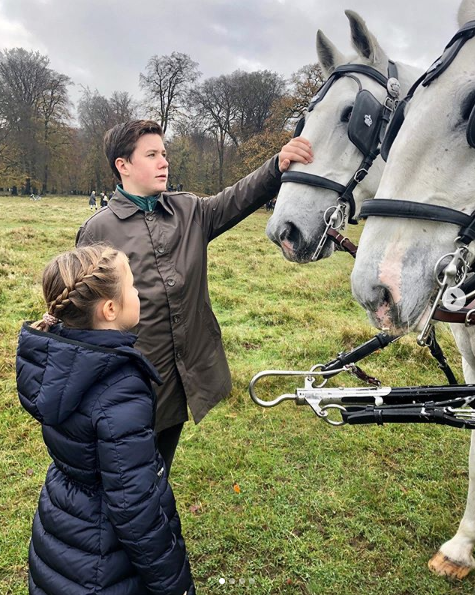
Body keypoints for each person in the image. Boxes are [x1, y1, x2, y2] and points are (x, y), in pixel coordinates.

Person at [76, 119, 313, 471]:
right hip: (126, 389)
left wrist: (277, 165)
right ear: (122, 165)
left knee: (158, 472)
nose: (164, 162)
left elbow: (237, 198)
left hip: (175, 383)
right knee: (122, 481)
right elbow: (84, 321)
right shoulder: (98, 231)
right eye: (152, 154)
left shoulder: (189, 211)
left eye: (164, 153)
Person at [16, 244, 194, 595]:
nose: (138, 293)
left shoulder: (60, 362)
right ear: (110, 309)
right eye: (132, 286)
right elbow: (134, 509)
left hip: (62, 527)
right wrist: (176, 586)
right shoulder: (120, 389)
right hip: (103, 562)